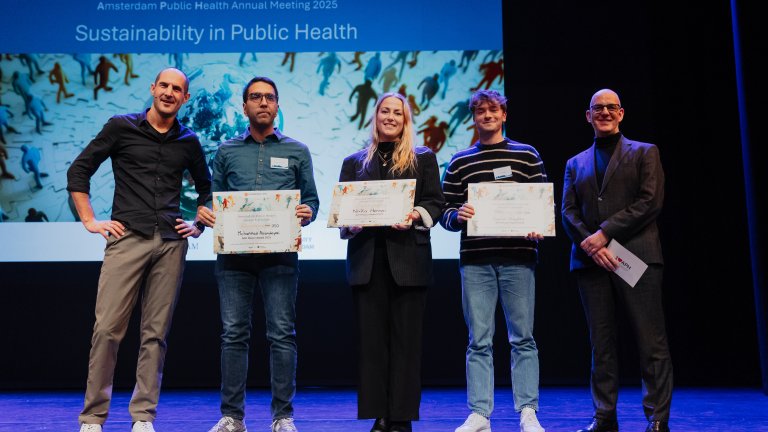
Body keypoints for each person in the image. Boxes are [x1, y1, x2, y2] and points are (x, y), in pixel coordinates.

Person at [66, 68, 212, 432]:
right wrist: (90, 220)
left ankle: (143, 416)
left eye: (176, 89)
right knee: (107, 330)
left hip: (171, 244)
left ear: (185, 98)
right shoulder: (121, 127)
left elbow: (207, 189)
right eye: (164, 86)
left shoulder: (189, 141)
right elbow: (79, 171)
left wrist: (198, 224)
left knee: (155, 334)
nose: (169, 93)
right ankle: (93, 417)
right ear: (153, 89)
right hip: (127, 237)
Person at [198, 76, 319, 432]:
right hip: (234, 259)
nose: (263, 102)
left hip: (280, 257)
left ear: (277, 105)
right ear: (244, 106)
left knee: (281, 334)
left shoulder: (297, 150)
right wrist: (206, 212)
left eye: (269, 97)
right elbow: (214, 199)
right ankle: (232, 417)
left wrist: (307, 212)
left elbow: (311, 200)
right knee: (233, 334)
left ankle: (283, 417)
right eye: (255, 97)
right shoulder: (226, 150)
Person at [561, 89, 672, 432]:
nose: (605, 112)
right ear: (588, 115)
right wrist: (593, 245)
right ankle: (604, 416)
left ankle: (657, 417)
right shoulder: (575, 163)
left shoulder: (645, 152)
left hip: (635, 256)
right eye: (598, 108)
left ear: (621, 113)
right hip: (591, 261)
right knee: (602, 343)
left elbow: (649, 201)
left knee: (650, 340)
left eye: (611, 107)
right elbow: (568, 211)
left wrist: (604, 233)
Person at [440, 89, 547, 432]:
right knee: (479, 340)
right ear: (473, 117)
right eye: (480, 111)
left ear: (504, 114)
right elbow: (444, 210)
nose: (487, 115)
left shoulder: (527, 154)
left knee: (523, 338)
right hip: (476, 261)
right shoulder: (460, 161)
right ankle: (480, 415)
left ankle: (527, 411)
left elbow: (542, 203)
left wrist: (538, 226)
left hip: (519, 258)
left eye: (493, 110)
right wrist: (457, 216)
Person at [338, 92, 444, 432]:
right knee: (372, 345)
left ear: (405, 120)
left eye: (397, 113)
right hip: (367, 262)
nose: (390, 117)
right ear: (376, 116)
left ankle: (402, 417)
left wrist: (414, 215)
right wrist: (350, 224)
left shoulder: (422, 158)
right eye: (385, 111)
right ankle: (380, 415)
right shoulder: (354, 162)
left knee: (406, 344)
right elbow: (342, 213)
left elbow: (435, 203)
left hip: (409, 261)